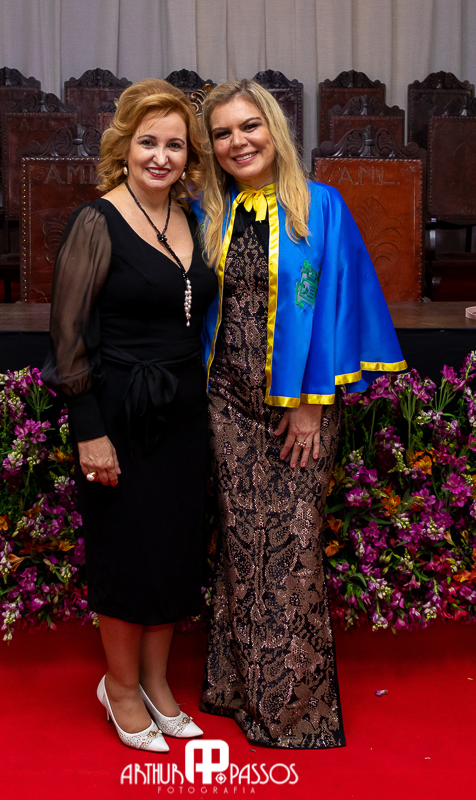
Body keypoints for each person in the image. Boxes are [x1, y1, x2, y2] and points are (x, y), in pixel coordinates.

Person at [195, 80, 407, 749]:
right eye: (223, 133)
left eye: (249, 126)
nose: (238, 142)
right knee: (241, 544)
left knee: (290, 547)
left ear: (274, 129)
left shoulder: (318, 207)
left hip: (298, 410)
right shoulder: (209, 211)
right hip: (226, 405)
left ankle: (292, 712)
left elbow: (334, 305)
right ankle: (233, 687)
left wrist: (313, 405)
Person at [42, 79, 217, 753]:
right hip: (117, 410)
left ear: (188, 155)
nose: (161, 156)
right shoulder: (96, 220)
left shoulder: (194, 217)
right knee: (125, 550)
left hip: (183, 410)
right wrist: (89, 430)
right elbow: (68, 336)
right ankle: (118, 687)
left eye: (175, 144)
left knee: (173, 549)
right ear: (124, 147)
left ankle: (156, 682)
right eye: (148, 142)